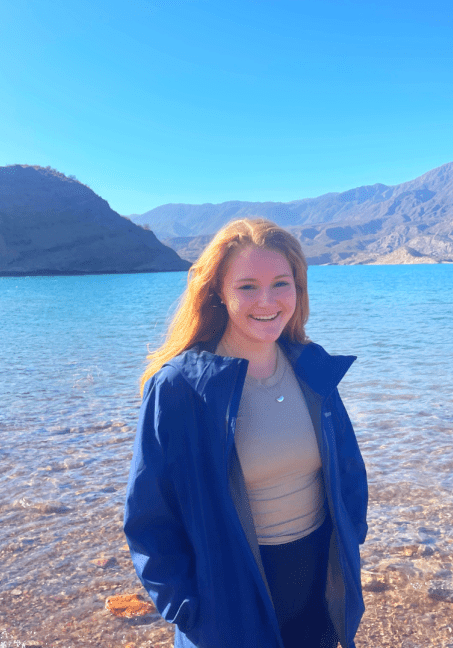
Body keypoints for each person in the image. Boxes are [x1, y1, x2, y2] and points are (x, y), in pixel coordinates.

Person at [124, 218, 368, 648]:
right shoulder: (181, 388)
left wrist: (349, 548)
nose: (268, 300)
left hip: (317, 589)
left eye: (281, 283)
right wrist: (192, 614)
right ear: (218, 290)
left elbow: (348, 472)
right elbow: (149, 518)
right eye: (248, 286)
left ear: (299, 288)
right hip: (229, 601)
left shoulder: (312, 370)